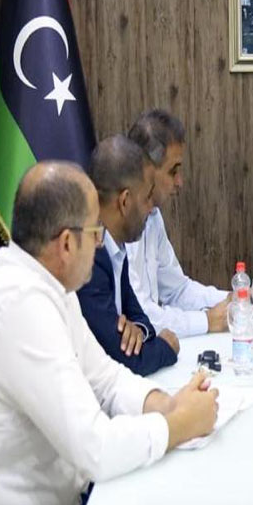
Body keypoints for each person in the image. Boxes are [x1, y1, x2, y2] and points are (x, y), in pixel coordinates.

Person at [0, 162, 219, 505]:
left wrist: (165, 403)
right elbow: (95, 449)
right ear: (67, 244)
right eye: (95, 232)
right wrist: (178, 425)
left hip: (74, 492)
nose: (100, 243)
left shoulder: (51, 283)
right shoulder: (19, 304)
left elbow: (105, 377)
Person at [77, 136, 179, 375]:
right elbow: (124, 359)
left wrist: (138, 331)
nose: (151, 208)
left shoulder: (115, 248)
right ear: (124, 202)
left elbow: (141, 320)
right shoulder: (88, 259)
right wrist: (166, 347)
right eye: (147, 198)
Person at [126, 109, 230, 338]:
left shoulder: (153, 217)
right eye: (173, 171)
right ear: (146, 170)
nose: (180, 182)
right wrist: (207, 321)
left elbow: (176, 289)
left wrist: (231, 299)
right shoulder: (121, 226)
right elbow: (140, 315)